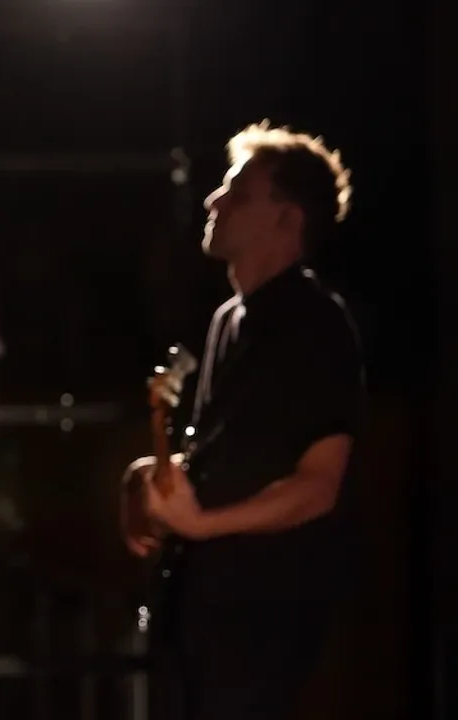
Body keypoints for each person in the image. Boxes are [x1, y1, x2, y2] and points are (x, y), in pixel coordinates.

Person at [120, 121, 365, 720]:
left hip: (260, 620)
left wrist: (204, 525)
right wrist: (147, 477)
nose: (214, 201)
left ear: (287, 218)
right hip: (202, 614)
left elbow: (318, 486)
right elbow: (228, 458)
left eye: (237, 191)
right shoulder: (228, 321)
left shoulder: (318, 325)